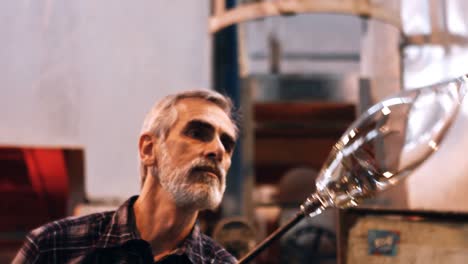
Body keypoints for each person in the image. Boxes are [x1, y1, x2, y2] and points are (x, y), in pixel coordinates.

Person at [13, 90, 239, 263]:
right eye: (197, 133)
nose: (218, 150)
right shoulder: (54, 245)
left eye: (227, 144)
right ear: (149, 150)